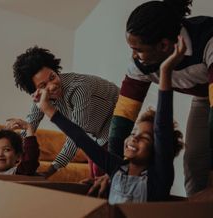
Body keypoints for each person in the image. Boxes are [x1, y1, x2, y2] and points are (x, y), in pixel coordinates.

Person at [36, 36, 186, 204]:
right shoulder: (116, 168)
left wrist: (165, 71)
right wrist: (48, 110)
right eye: (134, 133)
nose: (134, 137)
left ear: (158, 149)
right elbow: (79, 137)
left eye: (145, 138)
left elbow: (162, 127)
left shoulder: (159, 177)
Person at [109, 0, 213, 196]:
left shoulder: (208, 39)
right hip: (203, 97)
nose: (133, 56)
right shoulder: (139, 65)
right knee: (194, 160)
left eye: (138, 50)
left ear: (164, 45)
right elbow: (122, 119)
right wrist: (112, 172)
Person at [13, 46, 119, 178]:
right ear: (35, 90)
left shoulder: (79, 88)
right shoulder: (41, 97)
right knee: (95, 178)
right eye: (42, 85)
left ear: (56, 70)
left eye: (52, 77)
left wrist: (51, 170)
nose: (51, 86)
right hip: (94, 133)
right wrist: (12, 149)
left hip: (116, 124)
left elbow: (75, 136)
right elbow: (31, 123)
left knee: (103, 176)